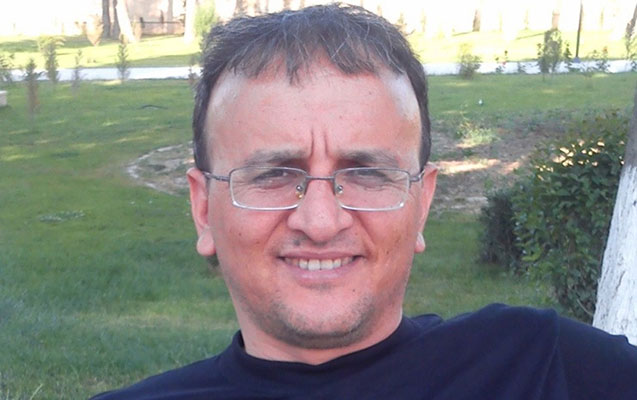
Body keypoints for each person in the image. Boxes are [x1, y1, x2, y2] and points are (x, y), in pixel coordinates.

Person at [92, 4, 637, 399]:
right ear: (203, 209)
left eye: (367, 174)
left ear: (422, 202)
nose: (320, 222)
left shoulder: (542, 368)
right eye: (275, 175)